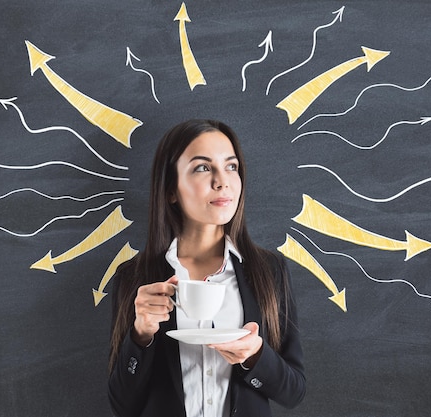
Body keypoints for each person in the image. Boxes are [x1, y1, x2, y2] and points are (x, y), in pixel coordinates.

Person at [108, 119, 305, 417]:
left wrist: (255, 356)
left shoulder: (270, 271)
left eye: (231, 167)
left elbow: (294, 391)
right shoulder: (133, 278)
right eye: (202, 167)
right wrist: (140, 335)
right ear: (171, 189)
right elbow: (122, 405)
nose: (222, 181)